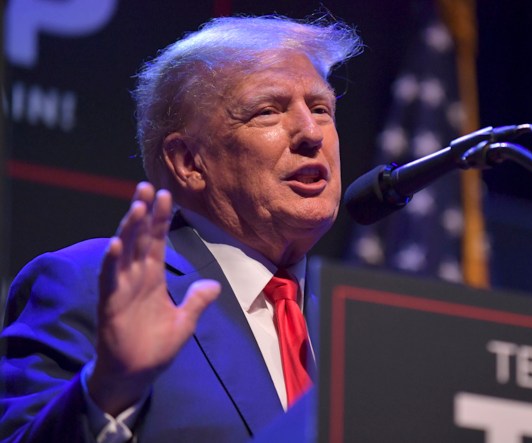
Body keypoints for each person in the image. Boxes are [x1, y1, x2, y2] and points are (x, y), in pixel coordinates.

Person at [0, 15, 362, 442]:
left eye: (321, 109)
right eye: (267, 111)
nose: (310, 132)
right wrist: (108, 391)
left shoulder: (354, 328)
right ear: (189, 162)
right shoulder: (90, 284)